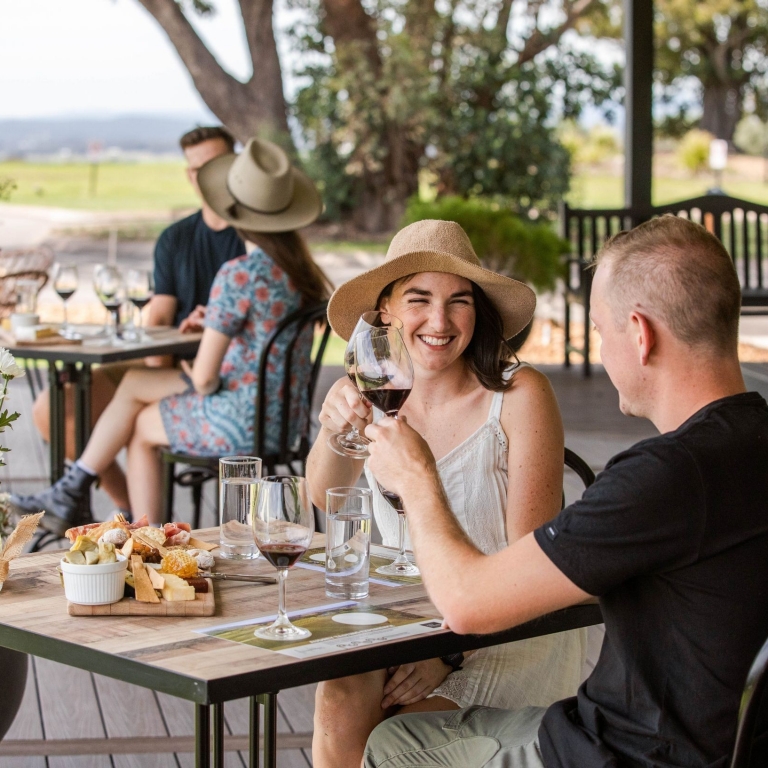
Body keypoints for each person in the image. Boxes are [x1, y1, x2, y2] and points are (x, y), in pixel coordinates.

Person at [361, 215, 768, 768]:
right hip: (717, 741)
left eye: (601, 332)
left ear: (640, 334)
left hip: (620, 751)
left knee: (392, 746)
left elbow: (468, 601)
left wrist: (415, 477)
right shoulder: (749, 444)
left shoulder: (665, 478)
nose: (602, 354)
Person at [306, 220, 586, 768]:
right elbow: (323, 495)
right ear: (384, 310)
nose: (440, 321)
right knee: (338, 695)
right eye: (419, 299)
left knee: (402, 731)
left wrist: (452, 655)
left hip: (508, 632)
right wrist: (333, 429)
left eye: (459, 301)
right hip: (408, 623)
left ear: (477, 312)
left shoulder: (519, 395)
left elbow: (529, 566)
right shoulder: (376, 394)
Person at [13, 137, 331, 534]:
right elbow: (265, 338)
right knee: (135, 387)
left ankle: (146, 538)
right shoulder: (304, 275)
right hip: (285, 422)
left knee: (145, 426)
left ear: (232, 208)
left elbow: (203, 379)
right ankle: (76, 491)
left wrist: (191, 367)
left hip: (238, 422)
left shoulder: (239, 274)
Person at [30, 125, 244, 516]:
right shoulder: (176, 238)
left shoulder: (253, 242)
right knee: (51, 407)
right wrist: (155, 362)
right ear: (188, 176)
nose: (205, 177)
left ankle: (124, 514)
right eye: (197, 169)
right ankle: (126, 506)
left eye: (215, 165)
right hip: (167, 360)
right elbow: (159, 312)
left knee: (136, 394)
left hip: (221, 372)